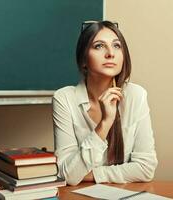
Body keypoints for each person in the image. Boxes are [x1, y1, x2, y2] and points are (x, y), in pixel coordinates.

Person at [53, 20, 157, 186]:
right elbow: (66, 174)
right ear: (84, 59)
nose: (110, 53)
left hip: (125, 195)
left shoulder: (136, 95)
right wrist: (105, 124)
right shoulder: (65, 98)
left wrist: (90, 174)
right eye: (99, 46)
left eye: (117, 46)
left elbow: (146, 168)